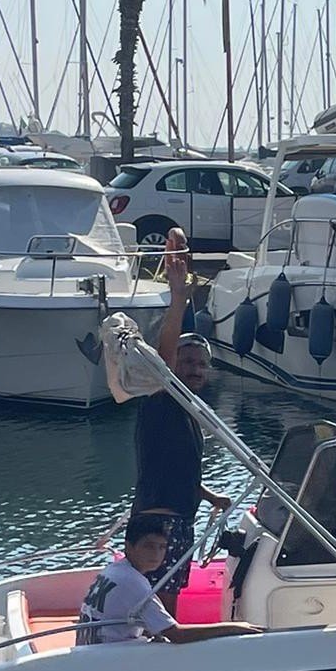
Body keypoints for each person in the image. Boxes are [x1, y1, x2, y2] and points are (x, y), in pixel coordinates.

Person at [132, 228, 232, 616]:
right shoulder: (163, 398)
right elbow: (164, 357)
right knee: (161, 607)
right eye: (186, 362)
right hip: (162, 524)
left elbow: (177, 467)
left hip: (178, 518)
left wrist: (210, 497)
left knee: (165, 600)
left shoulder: (188, 411)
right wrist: (178, 301)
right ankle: (151, 662)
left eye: (201, 365)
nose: (194, 370)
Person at [75, 515, 262, 645]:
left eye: (162, 547)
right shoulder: (133, 583)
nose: (156, 554)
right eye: (148, 546)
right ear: (129, 546)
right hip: (111, 657)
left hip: (92, 647)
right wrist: (233, 628)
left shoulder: (114, 570)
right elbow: (177, 635)